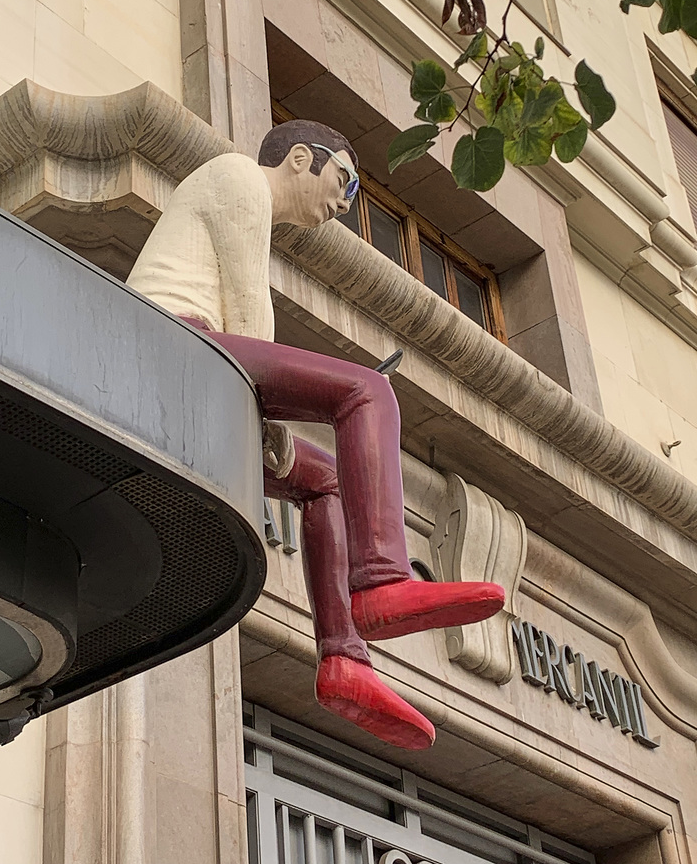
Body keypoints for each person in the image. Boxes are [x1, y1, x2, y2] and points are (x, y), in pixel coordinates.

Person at [126, 120, 505, 750]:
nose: (344, 204)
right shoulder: (237, 177)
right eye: (344, 182)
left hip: (195, 382)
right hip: (178, 349)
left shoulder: (249, 202)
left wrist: (263, 424)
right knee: (366, 390)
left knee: (324, 480)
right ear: (301, 159)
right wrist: (269, 417)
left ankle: (344, 660)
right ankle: (382, 578)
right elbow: (249, 308)